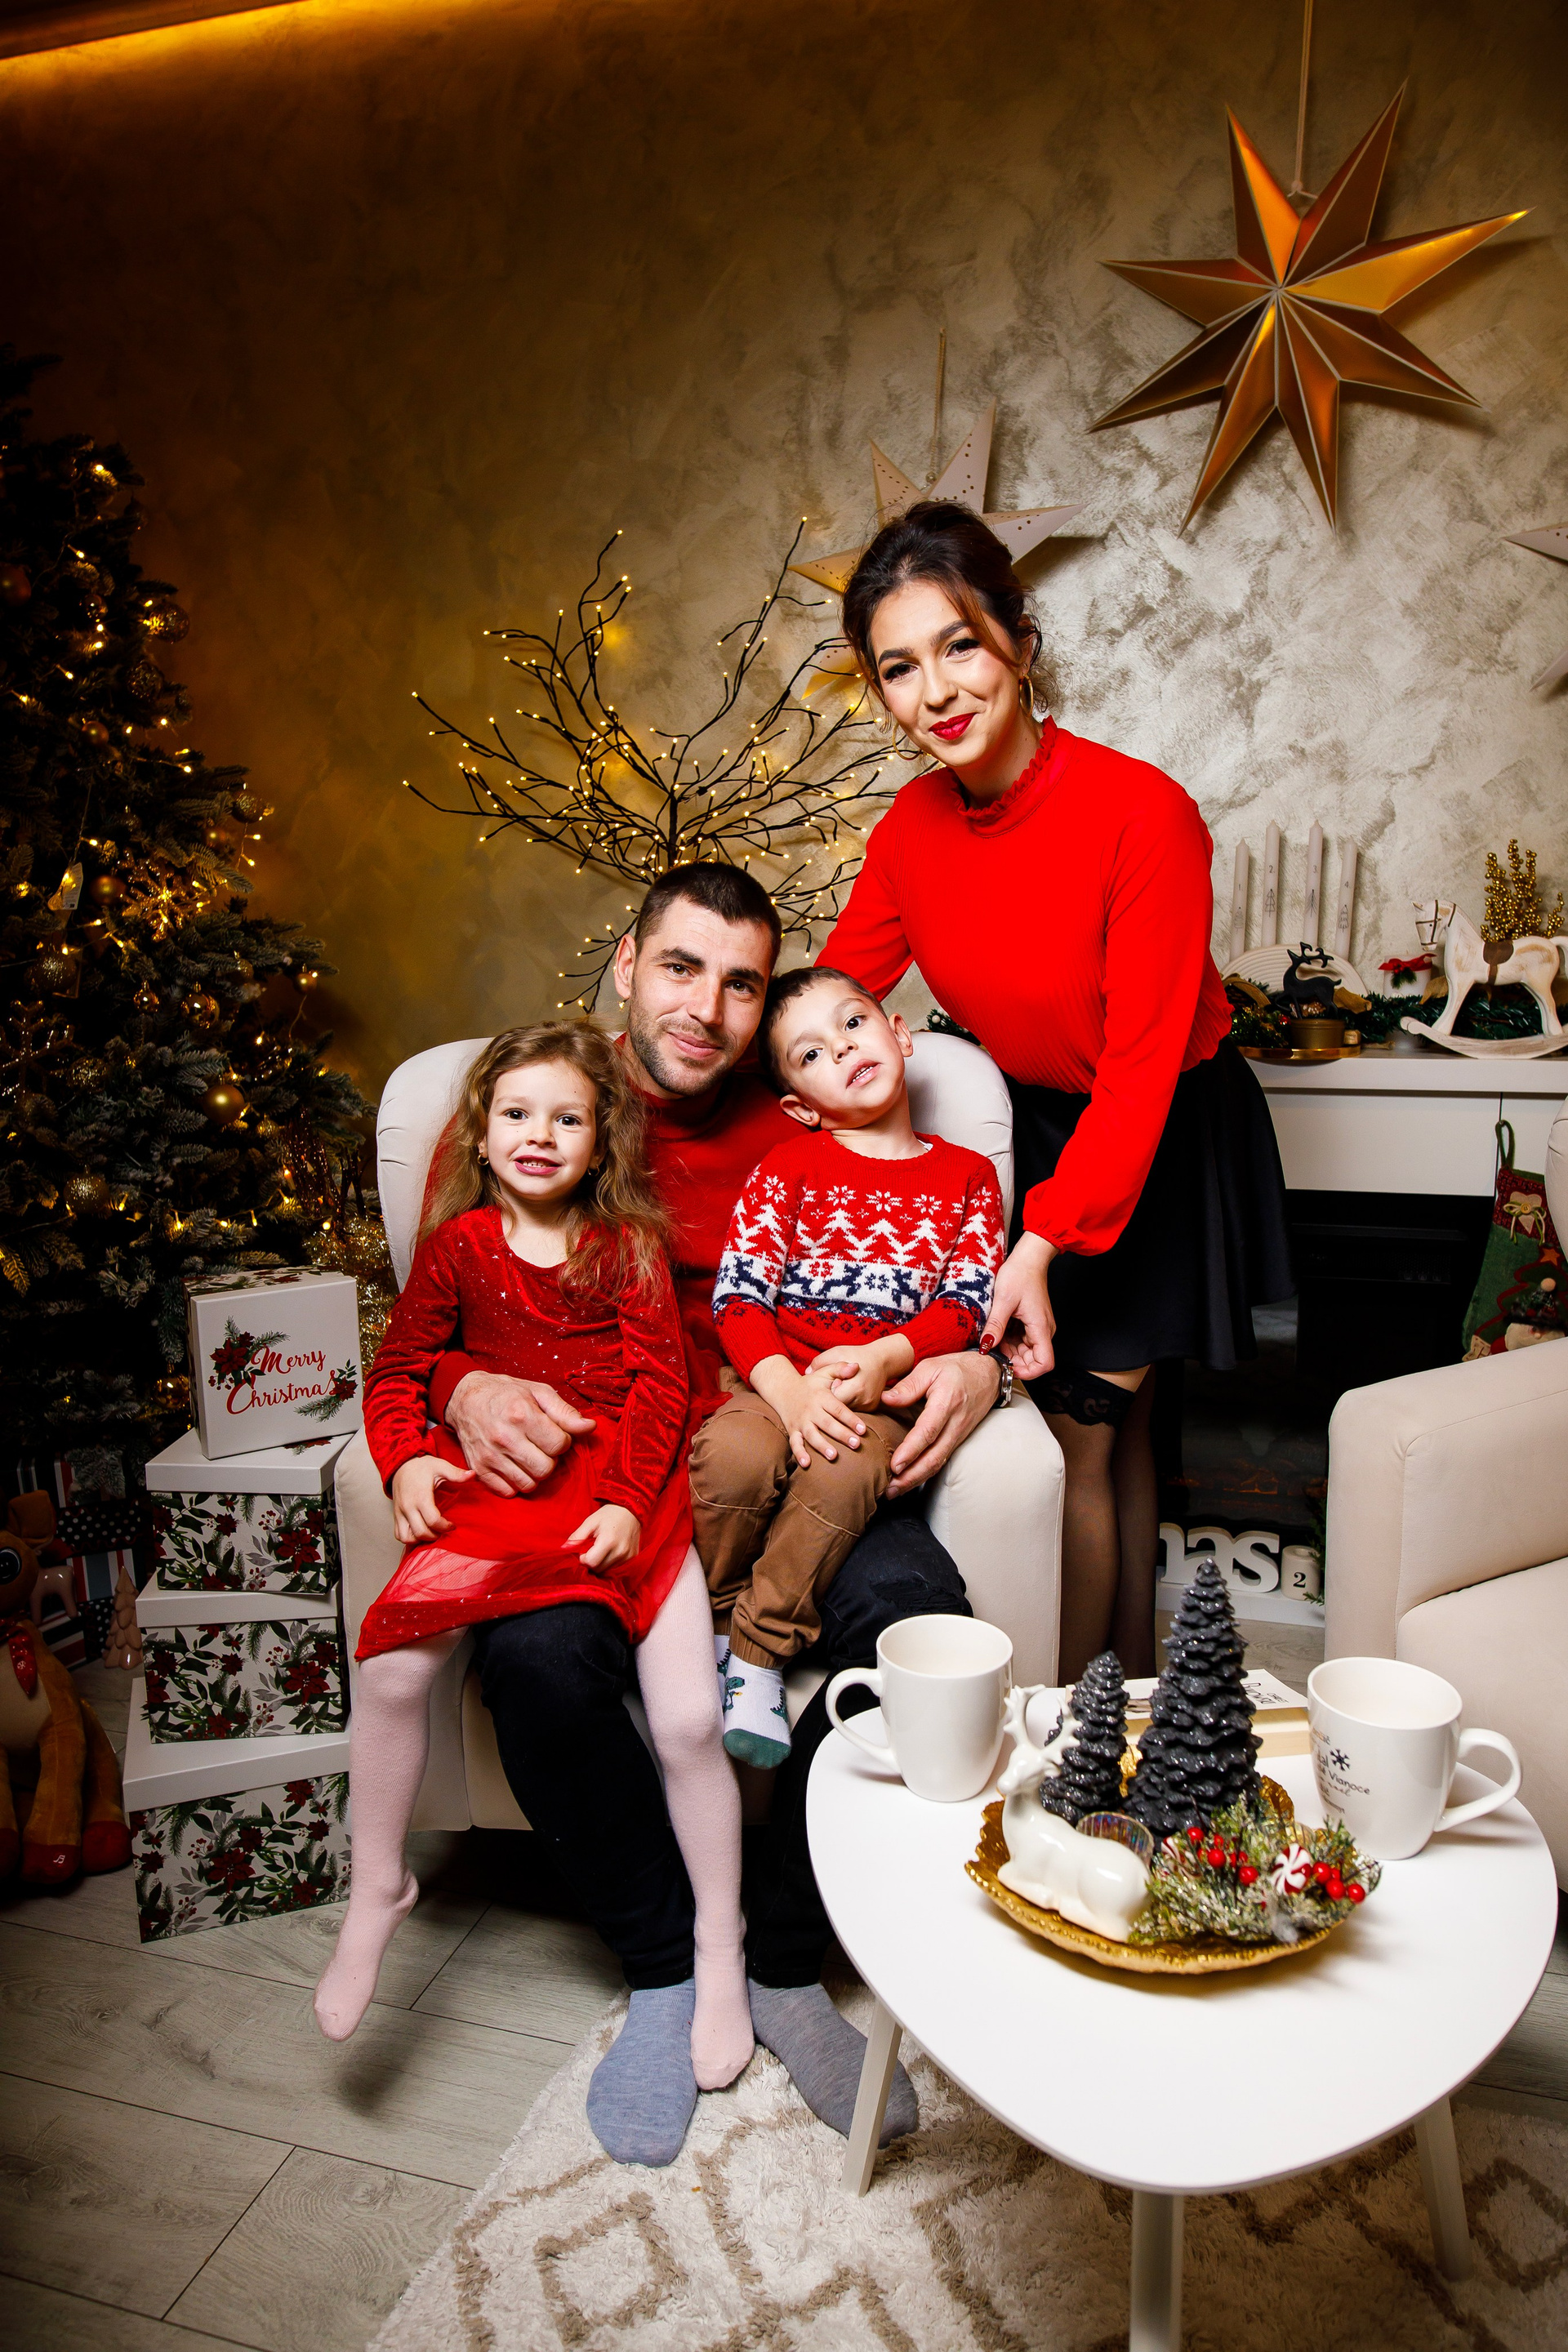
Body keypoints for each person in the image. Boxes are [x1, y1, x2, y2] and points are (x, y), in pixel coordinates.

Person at [425, 862, 1005, 2165]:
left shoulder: (802, 1118)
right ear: (627, 964)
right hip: (613, 1478)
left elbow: (954, 1282)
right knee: (537, 1657)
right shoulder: (539, 1106)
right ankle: (668, 1968)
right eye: (683, 968)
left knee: (915, 1623)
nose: (708, 1008)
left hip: (811, 1458)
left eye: (743, 984)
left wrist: (977, 1366)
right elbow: (436, 1311)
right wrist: (466, 1388)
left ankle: (787, 1964)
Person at [824, 500, 1291, 1683]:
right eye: (899, 667)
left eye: (961, 645)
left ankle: (1062, 1731)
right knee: (1109, 1439)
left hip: (1160, 1130)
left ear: (1021, 643)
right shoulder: (911, 829)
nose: (937, 691)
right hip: (1037, 1127)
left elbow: (1138, 1068)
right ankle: (1123, 1707)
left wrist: (1040, 1244)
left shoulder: (1144, 813)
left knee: (1079, 1441)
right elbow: (832, 998)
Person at [314, 1023, 752, 2100]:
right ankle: (378, 1887)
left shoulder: (627, 1247)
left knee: (690, 1722)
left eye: (567, 1118)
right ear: (482, 1130)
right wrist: (408, 1460)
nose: (539, 1135)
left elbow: (664, 1390)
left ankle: (718, 1945)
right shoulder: (459, 1247)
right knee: (392, 1669)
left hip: (621, 1491)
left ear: (602, 1140)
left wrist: (626, 1503)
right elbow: (400, 1370)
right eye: (517, 1114)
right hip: (503, 1492)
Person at [694, 965, 1004, 1766]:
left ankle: (759, 1653)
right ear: (801, 1106)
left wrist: (885, 1357)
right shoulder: (787, 1168)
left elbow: (966, 1303)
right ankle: (718, 1623)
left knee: (842, 1472)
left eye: (854, 1024)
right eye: (811, 1054)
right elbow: (739, 1296)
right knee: (734, 1456)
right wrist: (787, 1392)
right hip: (776, 1379)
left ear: (899, 1034)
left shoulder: (968, 1178)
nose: (841, 1049)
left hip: (877, 1397)